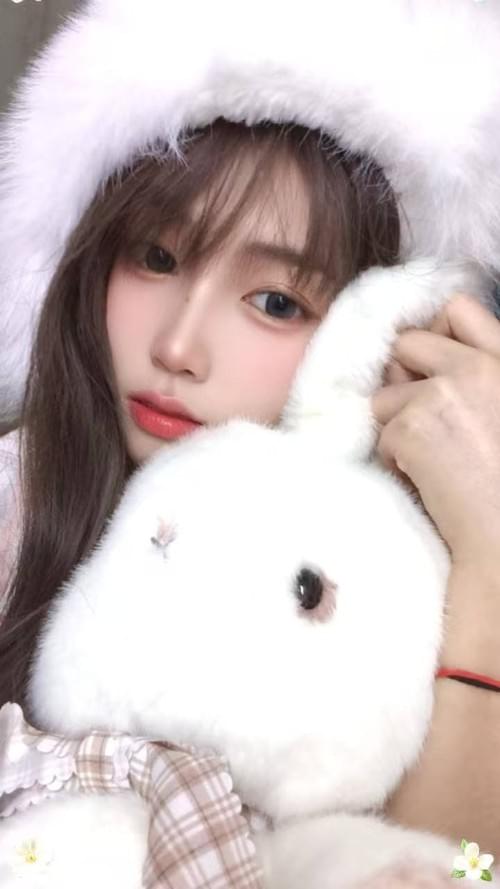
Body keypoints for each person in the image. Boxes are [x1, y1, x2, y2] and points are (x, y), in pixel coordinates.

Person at [0, 0, 500, 876]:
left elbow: (461, 867)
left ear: (376, 328)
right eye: (156, 257)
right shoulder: (17, 503)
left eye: (276, 301)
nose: (178, 346)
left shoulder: (403, 581)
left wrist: (490, 559)